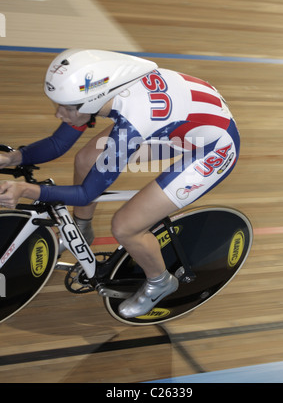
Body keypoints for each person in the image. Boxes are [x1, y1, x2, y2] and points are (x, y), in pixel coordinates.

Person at [0, 49, 240, 318]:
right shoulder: (100, 93)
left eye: (66, 107)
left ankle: (160, 282)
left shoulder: (132, 122)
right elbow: (58, 144)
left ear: (92, 101)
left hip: (214, 147)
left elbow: (87, 192)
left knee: (126, 226)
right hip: (180, 123)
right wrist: (13, 157)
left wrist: (27, 190)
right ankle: (81, 230)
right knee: (86, 160)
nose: (59, 113)